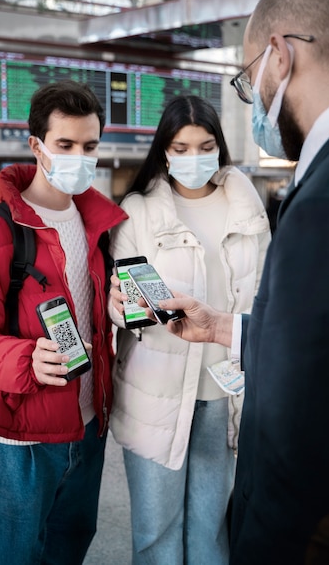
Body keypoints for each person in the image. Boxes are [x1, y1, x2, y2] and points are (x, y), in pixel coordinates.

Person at [147, 0, 329, 565]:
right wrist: (222, 327)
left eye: (248, 78)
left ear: (279, 57)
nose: (254, 100)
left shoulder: (324, 194)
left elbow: (297, 402)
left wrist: (267, 539)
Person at [0, 80, 127, 565]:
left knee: (70, 545)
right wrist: (25, 358)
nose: (79, 156)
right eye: (65, 145)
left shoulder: (98, 228)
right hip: (19, 438)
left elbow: (86, 308)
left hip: (87, 426)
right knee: (13, 554)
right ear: (37, 146)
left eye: (89, 146)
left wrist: (111, 310)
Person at [108, 95, 270, 564]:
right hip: (154, 393)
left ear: (219, 147)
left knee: (210, 530)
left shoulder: (247, 210)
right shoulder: (137, 211)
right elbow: (121, 301)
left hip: (223, 391)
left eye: (204, 145)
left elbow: (264, 293)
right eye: (180, 147)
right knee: (156, 534)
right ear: (164, 150)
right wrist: (119, 306)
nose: (193, 157)